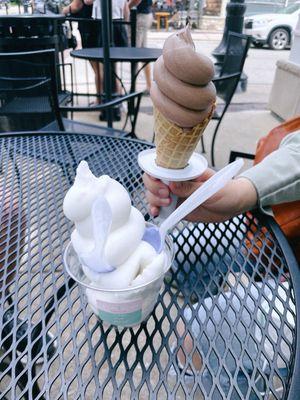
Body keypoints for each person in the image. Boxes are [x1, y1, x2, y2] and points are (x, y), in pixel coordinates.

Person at [143, 130, 300, 373]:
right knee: (181, 258)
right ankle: (213, 294)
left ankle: (237, 377)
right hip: (275, 223)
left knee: (194, 335)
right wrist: (243, 191)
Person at [143, 131, 300, 224]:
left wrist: (243, 192)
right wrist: (241, 193)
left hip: (272, 241)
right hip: (250, 214)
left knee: (182, 258)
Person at [128, 0, 153, 94]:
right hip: (145, 14)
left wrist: (127, 7)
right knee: (142, 53)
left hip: (139, 16)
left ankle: (132, 89)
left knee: (134, 55)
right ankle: (149, 86)